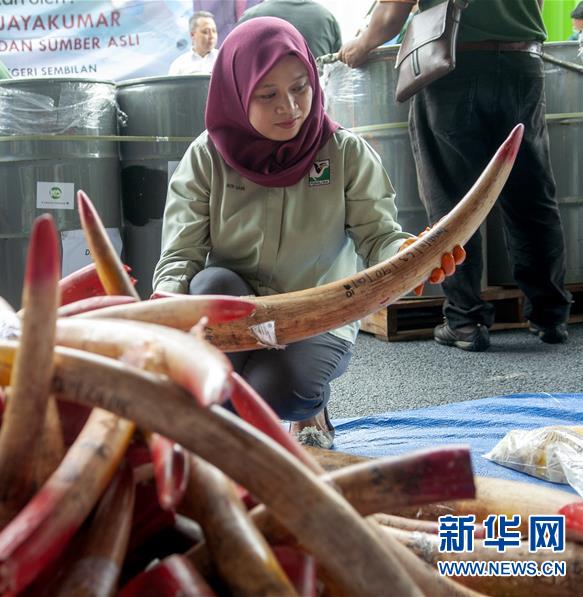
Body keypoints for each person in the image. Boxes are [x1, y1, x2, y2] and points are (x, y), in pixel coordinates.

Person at [152, 17, 462, 446]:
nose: (291, 107)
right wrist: (161, 310)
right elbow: (180, 256)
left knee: (274, 391)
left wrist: (412, 255)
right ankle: (227, 415)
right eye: (268, 95)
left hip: (317, 315)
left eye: (301, 87)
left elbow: (379, 237)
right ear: (236, 92)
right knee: (209, 284)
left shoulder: (345, 153)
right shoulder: (206, 157)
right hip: (236, 306)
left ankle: (309, 407)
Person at [340, 0, 572, 352]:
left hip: (452, 63)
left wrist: (358, 47)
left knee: (452, 196)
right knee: (531, 195)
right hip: (523, 62)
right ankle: (550, 315)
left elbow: (391, 12)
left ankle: (466, 320)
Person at [238, 0, 343, 59]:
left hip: (261, 95)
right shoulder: (325, 17)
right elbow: (338, 70)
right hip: (315, 95)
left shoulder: (249, 18)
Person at [168, 11, 218, 75]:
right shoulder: (179, 65)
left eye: (214, 31)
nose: (212, 36)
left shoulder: (224, 60)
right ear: (192, 35)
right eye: (205, 32)